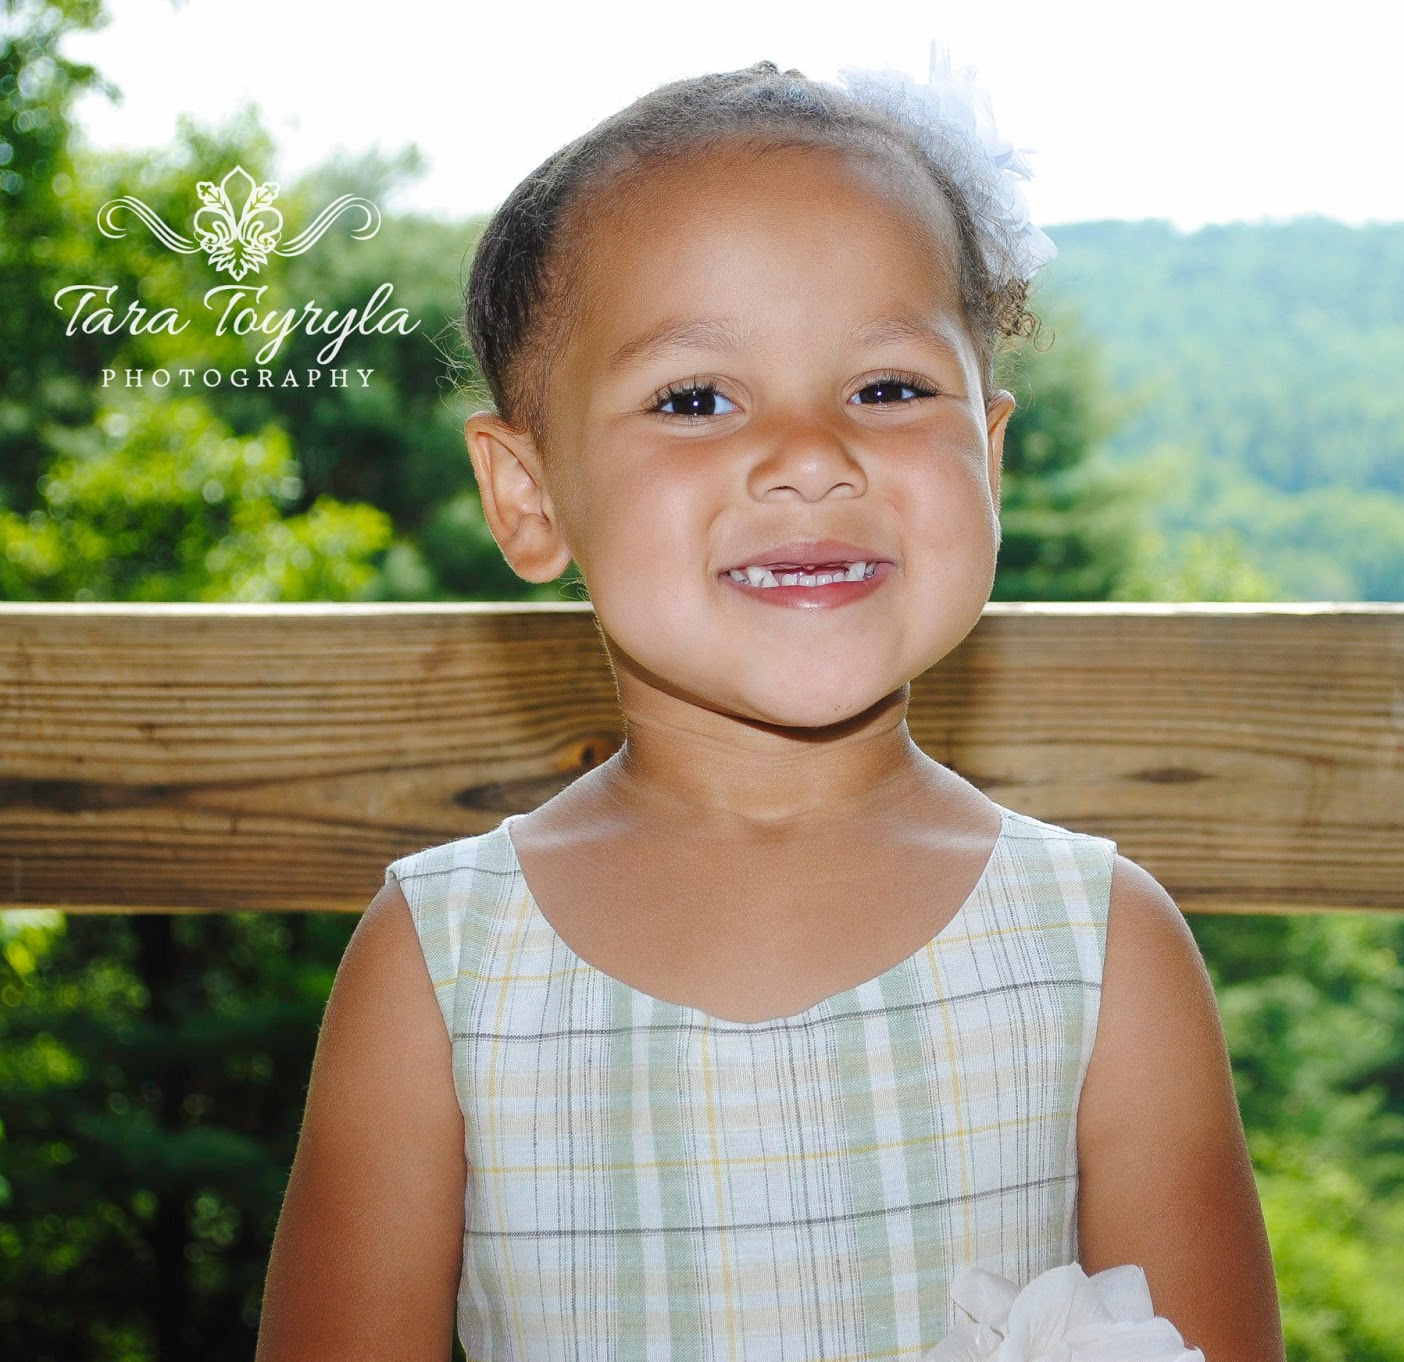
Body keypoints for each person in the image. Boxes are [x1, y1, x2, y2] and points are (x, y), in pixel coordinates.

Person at [255, 51, 1285, 1362]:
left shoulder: (1101, 949)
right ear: (528, 494)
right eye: (695, 398)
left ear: (989, 456)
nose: (809, 454)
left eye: (889, 389)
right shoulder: (443, 966)